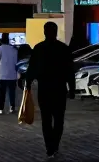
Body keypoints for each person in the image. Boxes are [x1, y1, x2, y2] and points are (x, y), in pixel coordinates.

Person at [25, 21, 76, 158]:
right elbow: (70, 71)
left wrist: (28, 83)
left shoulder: (39, 48)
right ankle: (55, 145)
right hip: (59, 89)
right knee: (59, 119)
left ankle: (49, 147)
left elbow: (32, 69)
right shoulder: (64, 49)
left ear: (44, 32)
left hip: (44, 89)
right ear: (56, 32)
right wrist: (72, 88)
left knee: (46, 120)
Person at [0, 32, 20, 115]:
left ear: (1, 40)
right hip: (12, 74)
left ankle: (1, 108)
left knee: (2, 93)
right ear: (8, 40)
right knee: (12, 92)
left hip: (1, 74)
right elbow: (17, 62)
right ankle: (12, 107)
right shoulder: (14, 49)